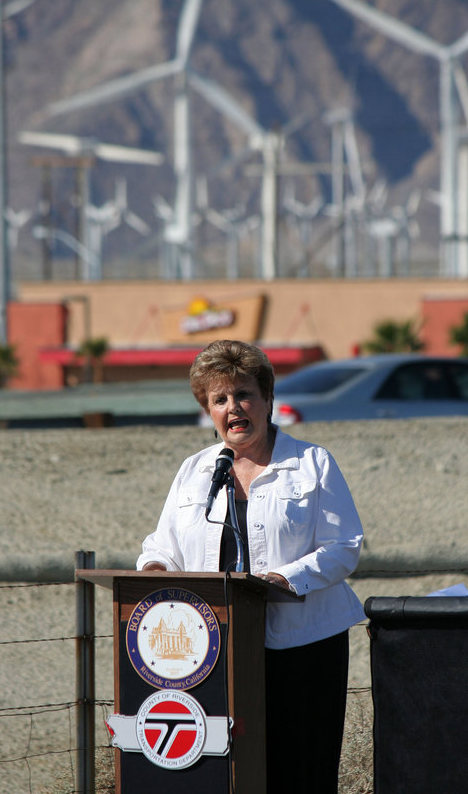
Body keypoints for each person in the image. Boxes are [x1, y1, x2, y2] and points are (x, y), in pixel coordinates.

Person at [136, 339, 364, 793]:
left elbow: (344, 546)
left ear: (267, 401)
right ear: (208, 409)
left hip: (303, 646)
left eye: (244, 394)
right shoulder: (195, 470)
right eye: (219, 399)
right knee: (229, 773)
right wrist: (155, 571)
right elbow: (161, 546)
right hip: (214, 650)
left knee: (300, 772)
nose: (233, 407)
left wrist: (281, 579)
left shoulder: (311, 463)